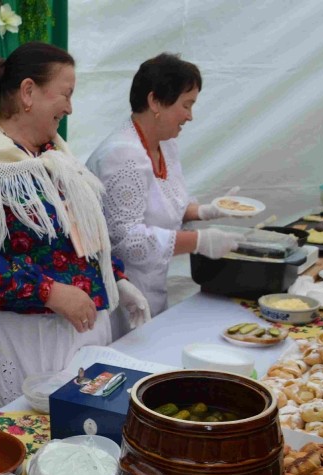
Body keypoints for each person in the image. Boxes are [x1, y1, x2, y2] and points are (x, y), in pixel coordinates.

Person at [0, 42, 150, 431]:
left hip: (68, 340)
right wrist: (49, 291)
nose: (70, 107)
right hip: (16, 339)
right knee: (22, 442)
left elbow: (82, 234)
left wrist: (116, 276)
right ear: (28, 92)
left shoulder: (53, 155)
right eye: (65, 94)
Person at [87, 53, 254, 334]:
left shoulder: (165, 145)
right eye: (186, 105)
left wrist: (204, 211)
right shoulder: (124, 154)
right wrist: (200, 241)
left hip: (153, 288)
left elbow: (161, 205)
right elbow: (128, 240)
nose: (190, 116)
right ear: (155, 102)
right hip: (121, 299)